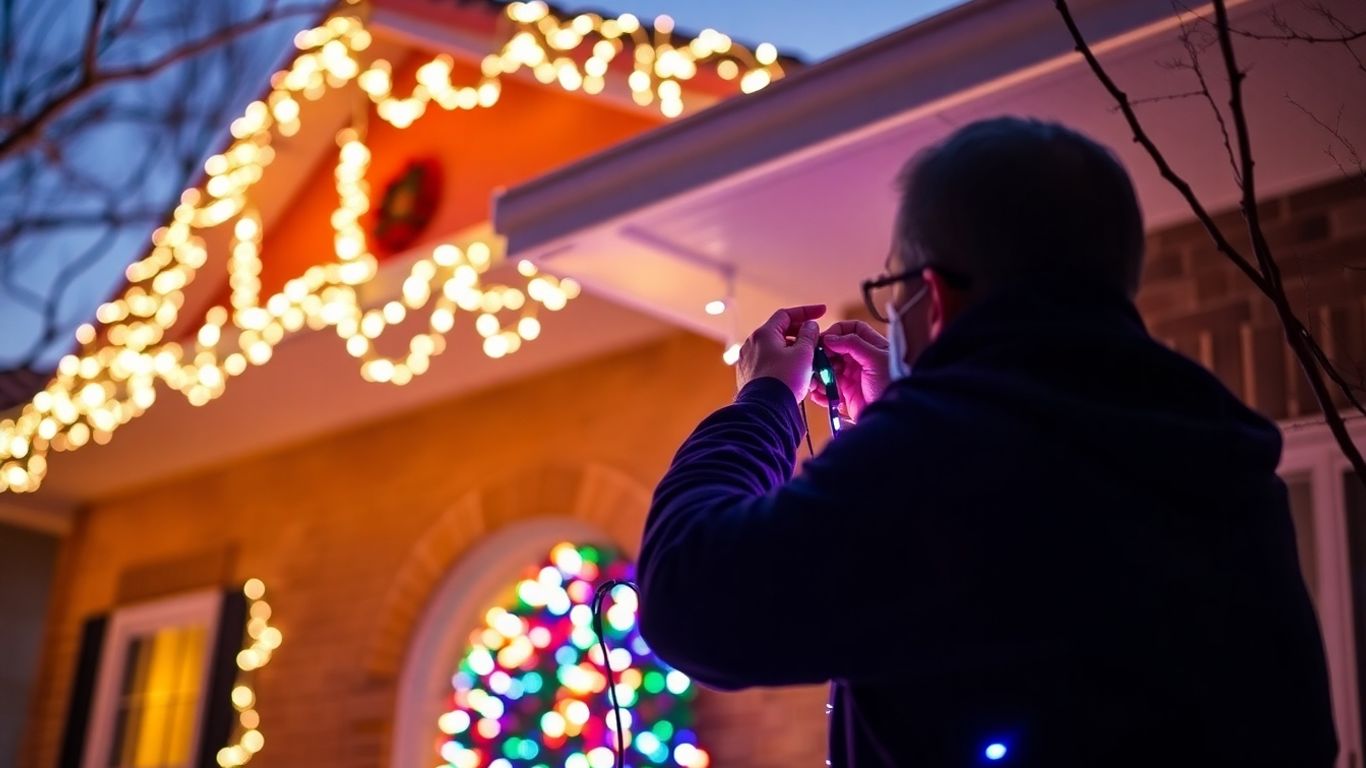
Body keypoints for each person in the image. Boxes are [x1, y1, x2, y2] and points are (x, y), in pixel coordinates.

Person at [636, 117, 1337, 766]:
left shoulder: (941, 464)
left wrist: (765, 401)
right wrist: (908, 413)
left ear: (932, 295)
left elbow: (688, 596)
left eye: (895, 289)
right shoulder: (1225, 460)